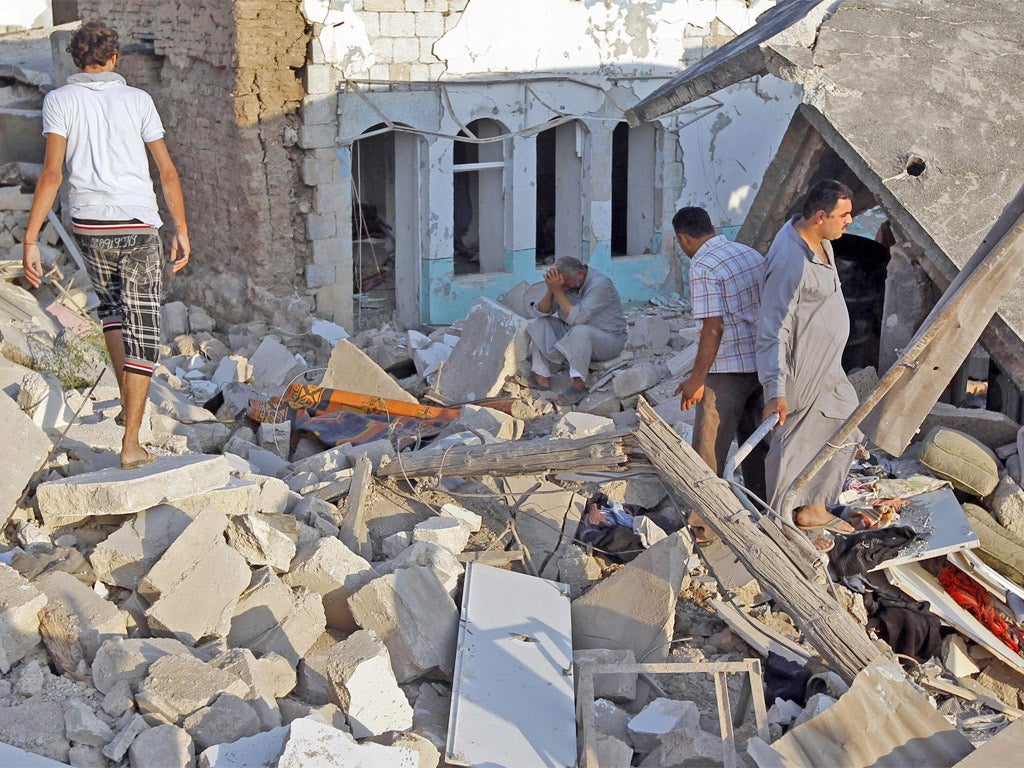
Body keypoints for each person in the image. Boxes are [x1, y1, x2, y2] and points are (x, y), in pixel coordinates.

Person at [22, 21, 190, 470]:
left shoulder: (59, 100)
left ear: (78, 60)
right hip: (136, 226)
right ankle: (132, 442)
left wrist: (31, 237)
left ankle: (124, 401)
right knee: (144, 334)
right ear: (115, 58)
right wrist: (181, 228)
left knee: (113, 312)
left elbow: (52, 174)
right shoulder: (138, 101)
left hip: (89, 225)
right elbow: (167, 172)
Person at [756, 179, 859, 544]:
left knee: (846, 422)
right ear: (819, 217)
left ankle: (814, 507)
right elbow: (772, 327)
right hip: (802, 365)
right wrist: (775, 388)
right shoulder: (789, 261)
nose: (850, 221)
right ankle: (779, 518)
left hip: (828, 365)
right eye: (844, 215)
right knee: (794, 440)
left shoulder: (822, 240)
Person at [672, 207, 767, 520]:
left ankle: (704, 523)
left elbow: (713, 328)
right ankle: (764, 512)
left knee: (709, 450)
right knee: (755, 444)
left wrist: (697, 380)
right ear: (711, 227)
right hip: (762, 363)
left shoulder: (703, 264)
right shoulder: (748, 253)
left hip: (728, 369)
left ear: (683, 239)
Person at [526, 256, 627, 406]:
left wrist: (558, 290)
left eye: (566, 283)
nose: (564, 287)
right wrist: (551, 290)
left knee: (580, 331)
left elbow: (578, 318)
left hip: (608, 340)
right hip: (573, 334)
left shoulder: (600, 284)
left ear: (580, 274)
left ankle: (579, 386)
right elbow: (541, 311)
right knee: (539, 323)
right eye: (561, 285)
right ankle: (542, 378)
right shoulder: (563, 285)